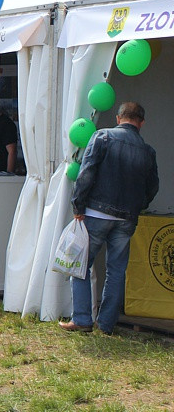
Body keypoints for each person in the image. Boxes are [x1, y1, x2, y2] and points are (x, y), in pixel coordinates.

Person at [61, 102, 159, 335]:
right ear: (141, 123)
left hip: (96, 212)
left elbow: (86, 173)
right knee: (117, 271)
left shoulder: (102, 137)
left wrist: (78, 205)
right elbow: (152, 188)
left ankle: (82, 319)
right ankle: (105, 325)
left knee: (81, 265)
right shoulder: (148, 151)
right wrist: (138, 206)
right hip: (127, 218)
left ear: (118, 118)